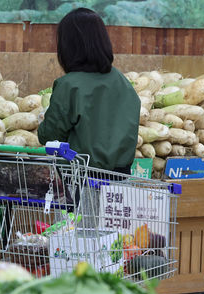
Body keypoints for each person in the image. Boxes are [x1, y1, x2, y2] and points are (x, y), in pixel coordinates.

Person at [37, 8, 140, 174]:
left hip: (80, 178)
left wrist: (42, 120)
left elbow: (49, 136)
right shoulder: (122, 82)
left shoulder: (69, 85)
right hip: (121, 178)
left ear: (68, 46)